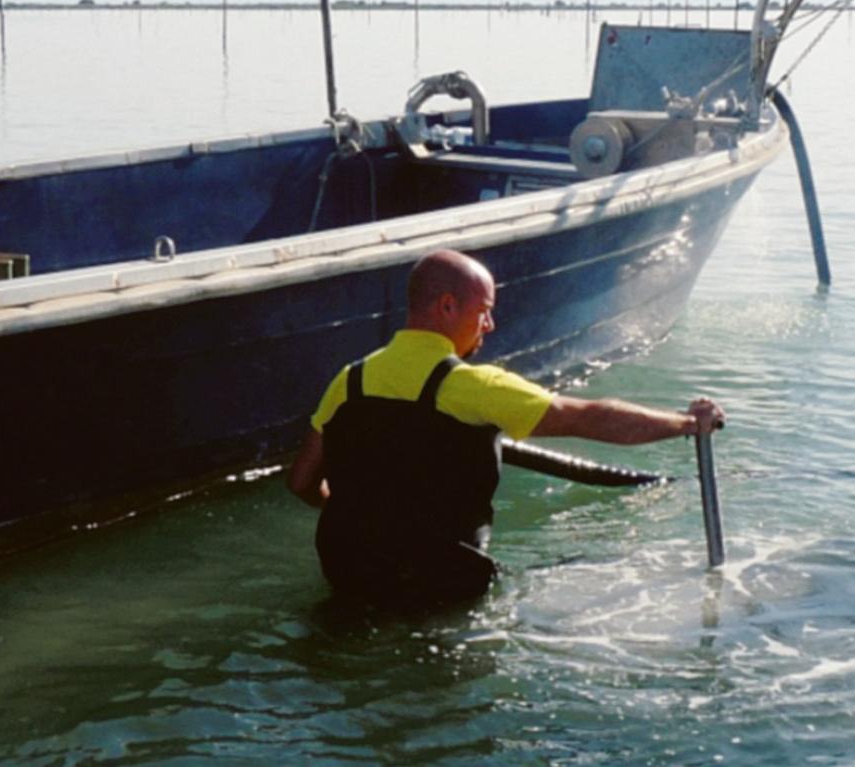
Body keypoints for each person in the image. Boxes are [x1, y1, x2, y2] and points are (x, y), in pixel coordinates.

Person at [286, 249, 725, 606]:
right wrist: (687, 423)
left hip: (348, 573)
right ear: (447, 307)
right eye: (484, 311)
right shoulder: (472, 387)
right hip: (435, 588)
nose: (489, 325)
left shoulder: (349, 380)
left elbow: (302, 481)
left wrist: (363, 522)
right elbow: (590, 416)